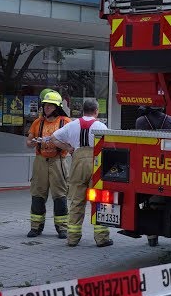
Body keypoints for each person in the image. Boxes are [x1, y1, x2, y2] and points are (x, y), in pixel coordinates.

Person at [49, 98, 112, 247]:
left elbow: (53, 138)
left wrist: (69, 148)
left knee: (77, 201)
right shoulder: (100, 125)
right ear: (96, 111)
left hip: (78, 163)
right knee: (99, 200)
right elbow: (110, 144)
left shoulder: (72, 125)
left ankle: (72, 238)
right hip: (96, 164)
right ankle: (102, 238)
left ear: (83, 110)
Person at [25, 91, 71, 238]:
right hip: (40, 161)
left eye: (50, 106)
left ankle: (62, 228)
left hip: (58, 161)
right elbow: (28, 143)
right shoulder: (37, 122)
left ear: (57, 107)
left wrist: (55, 142)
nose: (47, 109)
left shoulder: (65, 122)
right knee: (38, 194)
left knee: (60, 195)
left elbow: (71, 145)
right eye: (45, 106)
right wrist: (33, 142)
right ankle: (35, 227)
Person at [132, 104, 171, 246]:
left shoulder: (140, 121)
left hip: (146, 166)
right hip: (167, 165)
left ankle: (152, 237)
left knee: (148, 202)